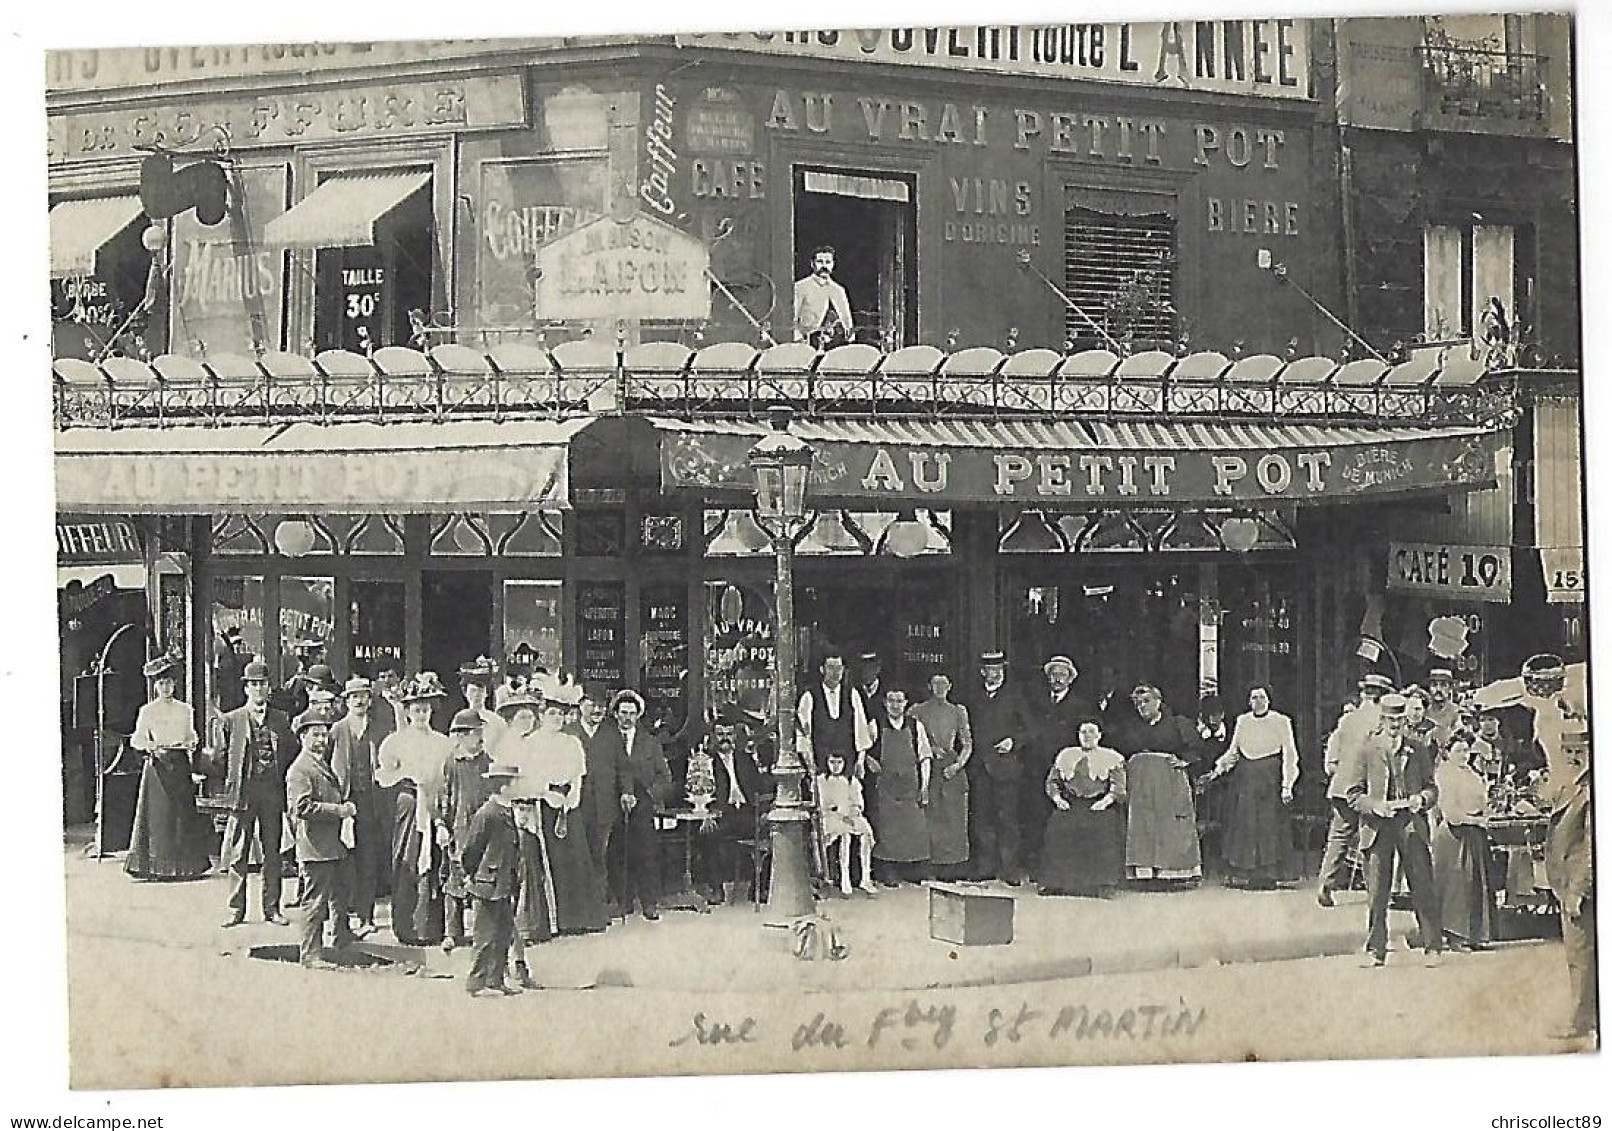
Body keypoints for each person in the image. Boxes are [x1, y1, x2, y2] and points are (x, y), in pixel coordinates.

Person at [1343, 694, 1443, 968]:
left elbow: (1432, 788)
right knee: (1377, 891)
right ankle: (1375, 950)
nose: (1395, 724)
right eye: (1390, 719)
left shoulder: (1418, 749)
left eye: (1400, 719)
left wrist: (1420, 799)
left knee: (1422, 884)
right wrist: (1375, 806)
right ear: (1382, 720)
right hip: (1378, 825)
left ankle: (1432, 946)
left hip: (1409, 821)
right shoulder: (1367, 750)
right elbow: (1352, 794)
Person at [519, 674, 608, 935]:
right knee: (549, 860)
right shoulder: (531, 743)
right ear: (542, 715)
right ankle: (552, 920)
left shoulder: (571, 742)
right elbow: (529, 775)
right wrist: (547, 793)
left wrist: (572, 796)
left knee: (575, 860)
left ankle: (576, 918)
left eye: (560, 715)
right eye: (551, 714)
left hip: (569, 806)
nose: (556, 719)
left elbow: (578, 774)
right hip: (543, 805)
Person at [215, 659, 296, 928]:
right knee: (238, 853)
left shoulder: (281, 720)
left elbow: (291, 755)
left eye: (262, 684)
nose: (258, 689)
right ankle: (235, 909)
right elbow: (221, 758)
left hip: (272, 793)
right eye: (253, 685)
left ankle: (272, 908)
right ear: (246, 689)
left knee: (273, 853)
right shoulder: (231, 720)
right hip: (243, 793)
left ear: (268, 687)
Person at [374, 673, 452, 946]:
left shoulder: (442, 742)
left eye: (426, 709)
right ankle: (406, 926)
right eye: (416, 709)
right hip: (408, 805)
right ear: (407, 711)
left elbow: (446, 776)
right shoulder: (396, 741)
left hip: (434, 804)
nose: (421, 714)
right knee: (407, 860)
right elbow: (384, 774)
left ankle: (431, 927)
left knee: (434, 862)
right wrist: (406, 778)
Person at [124, 655, 209, 881]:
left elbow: (191, 734)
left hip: (180, 763)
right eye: (161, 683)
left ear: (175, 685)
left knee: (181, 814)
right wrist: (151, 746)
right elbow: (137, 739)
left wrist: (192, 741)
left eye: (169, 683)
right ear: (155, 686)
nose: (166, 687)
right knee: (159, 817)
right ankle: (155, 867)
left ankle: (186, 867)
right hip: (158, 766)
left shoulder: (185, 710)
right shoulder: (147, 711)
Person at [284, 701, 355, 969]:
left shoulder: (319, 764)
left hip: (332, 844)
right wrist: (339, 810)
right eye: (315, 734)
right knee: (314, 902)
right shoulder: (300, 770)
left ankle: (339, 939)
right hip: (315, 845)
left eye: (324, 734)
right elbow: (301, 807)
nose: (322, 739)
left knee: (339, 895)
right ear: (303, 737)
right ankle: (310, 953)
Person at [1111, 683, 1202, 883]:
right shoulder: (1131, 727)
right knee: (1143, 823)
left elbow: (1197, 749)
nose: (1142, 706)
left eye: (1146, 701)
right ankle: (1144, 873)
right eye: (1137, 703)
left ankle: (1172, 873)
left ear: (1158, 702)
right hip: (1140, 781)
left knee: (1169, 822)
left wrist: (1184, 760)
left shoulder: (1178, 724)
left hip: (1169, 780)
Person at [1210, 686, 1299, 889]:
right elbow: (1234, 751)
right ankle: (1246, 875)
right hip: (1245, 779)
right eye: (1253, 697)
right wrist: (1219, 769)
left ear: (1269, 699)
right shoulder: (1243, 721)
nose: (1257, 701)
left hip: (1270, 779)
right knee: (1246, 827)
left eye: (1261, 697)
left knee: (1268, 827)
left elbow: (1290, 753)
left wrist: (1287, 785)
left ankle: (1268, 876)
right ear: (1249, 701)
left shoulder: (1281, 721)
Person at [1316, 672, 1393, 906]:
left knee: (1339, 835)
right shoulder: (1381, 720)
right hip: (1366, 787)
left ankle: (1325, 884)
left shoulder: (1348, 719)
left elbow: (1333, 750)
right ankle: (1374, 890)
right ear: (1382, 697)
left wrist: (1334, 769)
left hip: (1341, 784)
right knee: (1371, 837)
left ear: (1364, 694)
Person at [1544, 720, 1595, 1043]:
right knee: (1580, 955)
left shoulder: (1590, 789)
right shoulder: (1573, 784)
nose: (1572, 757)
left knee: (1581, 955)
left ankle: (1580, 1021)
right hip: (1568, 883)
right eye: (1567, 751)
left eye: (1579, 751)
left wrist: (1578, 890)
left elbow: (1593, 846)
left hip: (1580, 886)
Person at [458, 761, 526, 998]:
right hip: (487, 884)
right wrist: (472, 877)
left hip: (505, 884)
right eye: (515, 782)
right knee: (484, 937)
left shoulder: (507, 810)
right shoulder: (487, 813)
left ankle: (495, 980)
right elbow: (470, 850)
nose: (519, 786)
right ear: (504, 787)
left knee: (503, 934)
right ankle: (475, 983)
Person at [965, 650, 1033, 884]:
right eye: (989, 670)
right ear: (983, 672)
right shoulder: (974, 697)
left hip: (1006, 768)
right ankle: (985, 867)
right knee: (982, 819)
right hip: (980, 767)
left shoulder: (1015, 696)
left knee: (1007, 819)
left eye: (998, 670)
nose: (993, 674)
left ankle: (1009, 869)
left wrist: (1013, 741)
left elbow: (1029, 729)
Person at [1040, 720, 1128, 898]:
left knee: (1102, 830)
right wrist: (1058, 799)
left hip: (1099, 803)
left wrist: (1104, 802)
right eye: (1083, 732)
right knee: (1058, 827)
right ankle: (1055, 882)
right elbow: (1052, 782)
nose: (1087, 736)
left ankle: (1104, 884)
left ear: (1099, 736)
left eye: (1091, 732)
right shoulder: (1066, 755)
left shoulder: (1111, 757)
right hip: (1072, 802)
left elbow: (1119, 787)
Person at [329, 676, 387, 939]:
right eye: (354, 697)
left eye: (363, 696)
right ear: (346, 702)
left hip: (371, 803)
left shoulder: (379, 729)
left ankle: (367, 915)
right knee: (342, 861)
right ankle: (340, 918)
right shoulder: (337, 730)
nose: (359, 701)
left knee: (368, 861)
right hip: (344, 802)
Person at [607, 689, 673, 921]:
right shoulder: (608, 740)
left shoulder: (650, 743)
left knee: (646, 853)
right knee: (617, 852)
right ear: (615, 714)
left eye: (632, 713)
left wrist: (647, 795)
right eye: (623, 713)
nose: (627, 718)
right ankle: (622, 901)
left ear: (638, 716)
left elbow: (665, 779)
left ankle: (649, 902)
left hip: (643, 804)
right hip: (613, 803)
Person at [1431, 737, 1496, 952]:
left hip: (1474, 832)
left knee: (1476, 883)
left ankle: (1476, 936)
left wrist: (1484, 814)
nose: (1464, 755)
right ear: (1447, 752)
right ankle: (1454, 937)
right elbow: (1450, 811)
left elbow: (1481, 799)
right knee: (1456, 886)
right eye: (1458, 750)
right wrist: (1475, 820)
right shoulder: (1444, 774)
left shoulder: (1471, 773)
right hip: (1454, 834)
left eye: (1466, 750)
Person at [438, 709, 494, 954]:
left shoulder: (488, 761)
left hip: (482, 827)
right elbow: (445, 795)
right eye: (474, 733)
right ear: (460, 736)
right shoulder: (452, 762)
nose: (479, 737)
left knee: (481, 877)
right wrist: (442, 824)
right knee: (455, 878)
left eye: (480, 732)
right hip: (460, 825)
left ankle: (481, 931)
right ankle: (452, 932)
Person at [868, 687, 934, 883]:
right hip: (886, 788)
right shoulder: (876, 725)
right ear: (885, 703)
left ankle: (913, 870)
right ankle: (889, 871)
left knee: (914, 828)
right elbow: (861, 749)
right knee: (887, 830)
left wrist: (924, 787)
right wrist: (868, 761)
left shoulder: (916, 726)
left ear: (906, 703)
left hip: (910, 787)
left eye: (899, 701)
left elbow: (925, 757)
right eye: (891, 701)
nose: (895, 705)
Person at [565, 682, 619, 909]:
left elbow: (623, 767)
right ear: (580, 705)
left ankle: (598, 904)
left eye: (602, 706)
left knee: (600, 855)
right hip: (576, 805)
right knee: (577, 855)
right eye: (592, 705)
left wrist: (626, 792)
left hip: (604, 806)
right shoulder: (569, 734)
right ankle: (578, 906)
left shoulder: (611, 733)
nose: (597, 710)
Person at [913, 672, 972, 879]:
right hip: (929, 764)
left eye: (944, 684)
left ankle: (953, 867)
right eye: (936, 684)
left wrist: (957, 765)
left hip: (951, 766)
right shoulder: (918, 711)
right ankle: (931, 866)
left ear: (950, 687)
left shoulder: (958, 711)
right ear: (929, 686)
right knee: (932, 815)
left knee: (954, 817)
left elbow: (967, 743)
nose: (940, 688)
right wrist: (929, 748)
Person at [796, 649, 875, 779]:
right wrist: (810, 766)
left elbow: (861, 729)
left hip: (848, 765)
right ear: (822, 669)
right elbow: (803, 735)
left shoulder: (852, 694)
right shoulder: (809, 697)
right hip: (821, 766)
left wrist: (860, 761)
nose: (835, 673)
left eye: (839, 668)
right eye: (831, 668)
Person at [817, 751, 876, 896]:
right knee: (845, 834)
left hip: (850, 816)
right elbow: (824, 804)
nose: (836, 767)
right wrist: (841, 814)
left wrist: (854, 811)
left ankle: (865, 876)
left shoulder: (851, 781)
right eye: (832, 763)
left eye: (839, 763)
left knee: (866, 832)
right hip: (831, 817)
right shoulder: (822, 781)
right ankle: (845, 876)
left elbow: (857, 802)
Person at [793, 244, 854, 348]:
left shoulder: (839, 290)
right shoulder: (800, 287)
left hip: (834, 345)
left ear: (833, 264)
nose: (824, 266)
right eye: (820, 262)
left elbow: (847, 321)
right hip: (806, 343)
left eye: (828, 262)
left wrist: (849, 337)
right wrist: (799, 341)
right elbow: (792, 318)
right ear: (812, 264)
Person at [459, 657, 506, 752]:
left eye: (480, 691)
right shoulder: (459, 719)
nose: (476, 695)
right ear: (465, 693)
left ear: (487, 693)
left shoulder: (497, 722)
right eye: (473, 691)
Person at [1425, 668, 1460, 745]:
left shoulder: (1457, 713)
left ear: (1450, 688)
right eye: (1434, 685)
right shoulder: (1424, 712)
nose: (1438, 689)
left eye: (1443, 685)